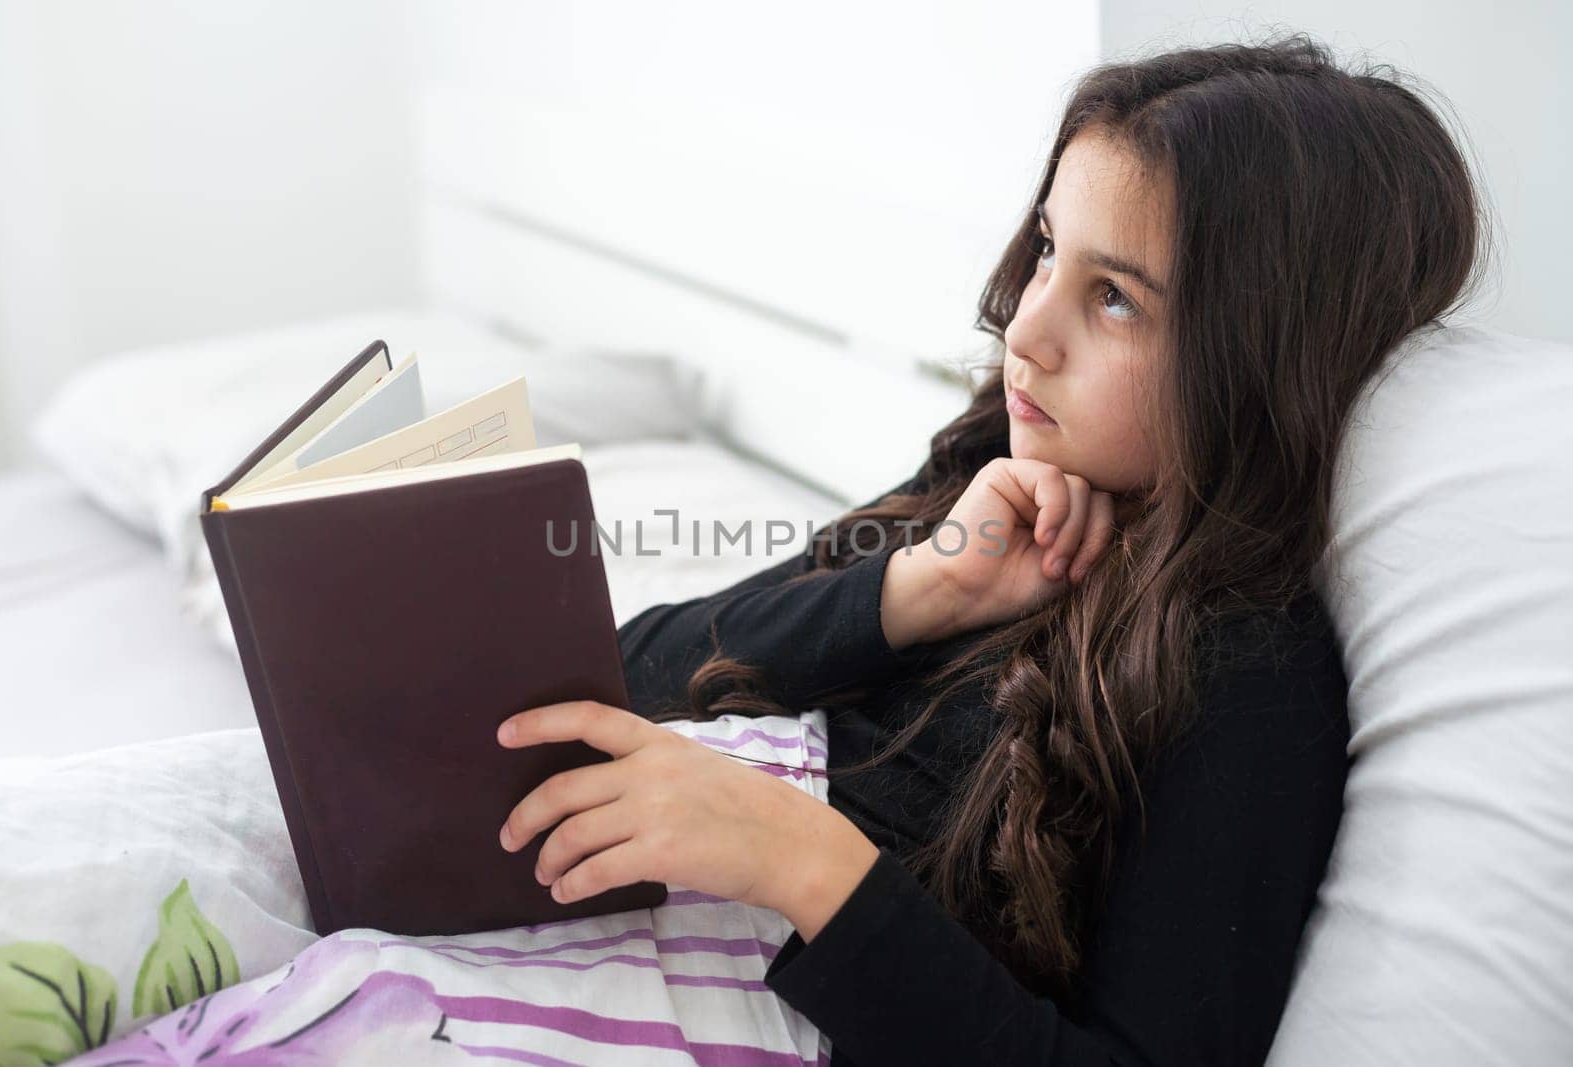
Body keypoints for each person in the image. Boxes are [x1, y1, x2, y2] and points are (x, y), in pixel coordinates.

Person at [495, 31, 1487, 1066]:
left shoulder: (1242, 669)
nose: (1024, 326)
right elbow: (629, 666)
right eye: (1049, 250)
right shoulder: (985, 477)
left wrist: (805, 860)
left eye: (1115, 297)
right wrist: (910, 591)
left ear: (1258, 357)